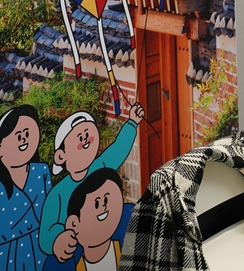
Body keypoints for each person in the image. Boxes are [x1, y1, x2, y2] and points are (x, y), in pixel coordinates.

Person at [40, 105, 142, 263]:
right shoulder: (57, 194)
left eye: (87, 133)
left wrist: (132, 123)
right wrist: (58, 240)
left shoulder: (100, 166)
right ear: (61, 156)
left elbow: (118, 150)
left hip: (107, 237)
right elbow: (47, 229)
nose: (85, 138)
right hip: (77, 251)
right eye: (79, 136)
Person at [0, 105, 51, 271]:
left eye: (27, 134)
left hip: (39, 247)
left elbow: (49, 213)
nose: (23, 139)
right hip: (7, 252)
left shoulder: (41, 171)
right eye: (17, 135)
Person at [63, 168, 123, 270]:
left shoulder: (124, 245)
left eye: (106, 200)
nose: (103, 207)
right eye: (96, 204)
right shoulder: (73, 264)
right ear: (73, 223)